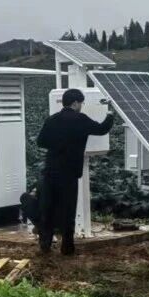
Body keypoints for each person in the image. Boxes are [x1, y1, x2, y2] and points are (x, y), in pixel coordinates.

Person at [35, 88, 115, 255]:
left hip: (50, 170)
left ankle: (45, 244)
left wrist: (57, 145)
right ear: (76, 103)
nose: (82, 106)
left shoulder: (52, 119)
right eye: (81, 103)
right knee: (68, 209)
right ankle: (67, 247)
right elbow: (101, 129)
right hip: (69, 171)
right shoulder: (80, 119)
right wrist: (111, 113)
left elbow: (40, 142)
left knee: (48, 208)